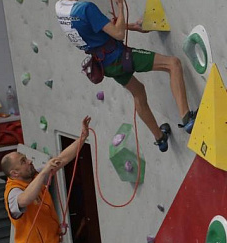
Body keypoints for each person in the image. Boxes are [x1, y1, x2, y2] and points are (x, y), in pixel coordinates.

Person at [55, 0, 197, 152]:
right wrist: (121, 8)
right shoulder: (85, 8)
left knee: (138, 92)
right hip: (119, 57)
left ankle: (160, 138)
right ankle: (186, 118)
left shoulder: (61, 11)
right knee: (173, 64)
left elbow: (96, 27)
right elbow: (118, 33)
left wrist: (133, 26)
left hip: (105, 65)